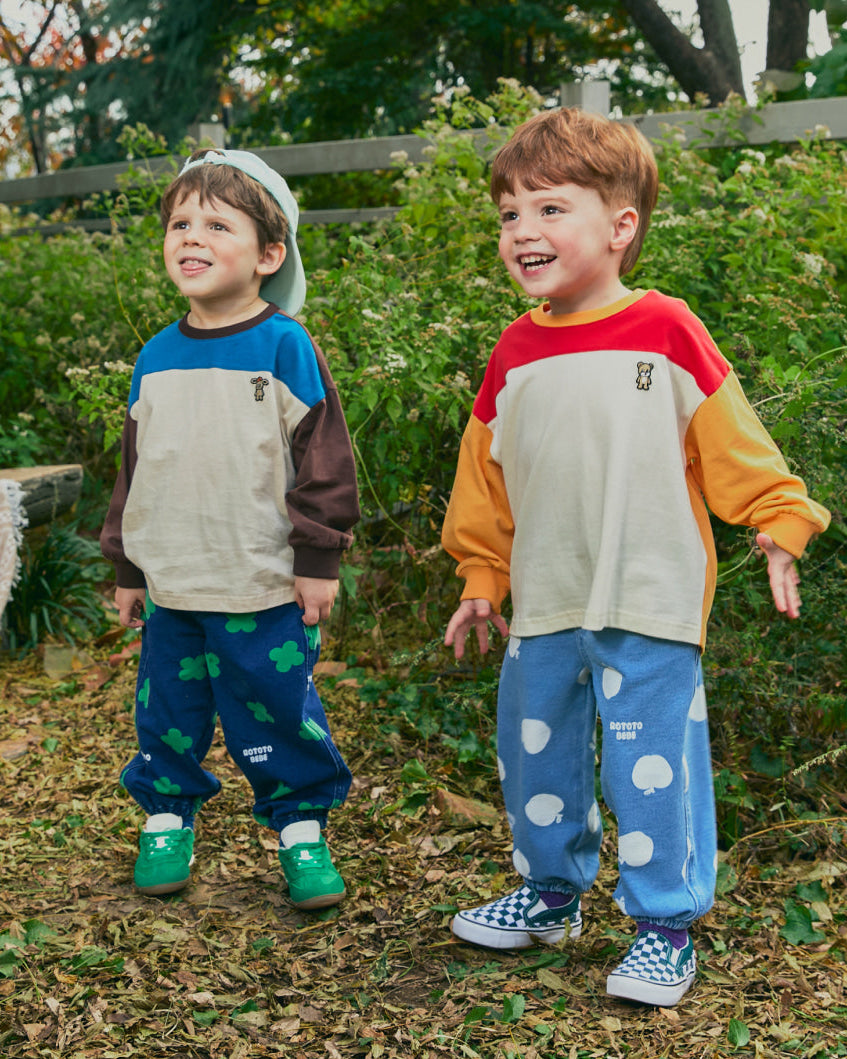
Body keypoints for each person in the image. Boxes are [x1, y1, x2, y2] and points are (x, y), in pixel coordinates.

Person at [441, 108, 830, 1007]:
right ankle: (549, 894)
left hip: (648, 597)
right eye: (509, 213)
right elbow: (482, 479)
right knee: (535, 761)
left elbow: (732, 442)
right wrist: (480, 574)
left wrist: (779, 517)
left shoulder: (664, 328)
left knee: (649, 768)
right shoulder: (514, 350)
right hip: (544, 602)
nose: (522, 230)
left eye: (549, 208)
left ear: (620, 226)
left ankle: (662, 927)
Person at [101, 148, 360, 910]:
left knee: (275, 710)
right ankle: (165, 818)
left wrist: (318, 557)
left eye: (217, 224)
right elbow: (135, 468)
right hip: (173, 589)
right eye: (180, 223)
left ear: (268, 254)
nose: (192, 236)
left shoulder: (284, 345)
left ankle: (301, 829)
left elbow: (324, 459)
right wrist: (127, 568)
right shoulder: (155, 355)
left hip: (261, 583)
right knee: (167, 716)